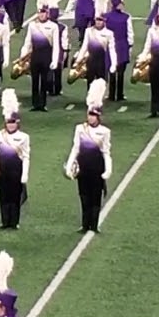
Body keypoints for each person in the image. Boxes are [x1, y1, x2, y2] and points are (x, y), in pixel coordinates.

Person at [64, 80, 112, 234]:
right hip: (83, 168)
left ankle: (94, 225)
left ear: (98, 117)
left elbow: (106, 152)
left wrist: (108, 170)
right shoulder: (80, 129)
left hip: (97, 168)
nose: (90, 118)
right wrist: (70, 164)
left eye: (93, 115)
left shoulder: (105, 132)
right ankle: (85, 224)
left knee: (95, 198)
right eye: (89, 115)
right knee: (84, 196)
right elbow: (75, 148)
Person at [0, 90, 30, 230]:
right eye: (8, 123)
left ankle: (14, 222)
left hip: (16, 170)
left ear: (17, 123)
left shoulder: (24, 137)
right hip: (3, 170)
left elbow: (26, 157)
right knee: (3, 195)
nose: (10, 125)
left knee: (15, 196)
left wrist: (25, 174)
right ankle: (5, 221)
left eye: (13, 123)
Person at [21, 0, 60, 112]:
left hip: (46, 57)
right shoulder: (32, 26)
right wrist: (23, 54)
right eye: (39, 13)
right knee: (34, 81)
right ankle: (35, 103)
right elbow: (28, 42)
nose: (41, 15)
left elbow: (56, 46)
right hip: (35, 57)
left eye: (43, 13)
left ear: (47, 13)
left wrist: (55, 60)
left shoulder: (53, 27)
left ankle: (42, 104)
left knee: (44, 81)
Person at [74, 0, 118, 88]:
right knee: (90, 83)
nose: (98, 22)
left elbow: (112, 49)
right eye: (97, 20)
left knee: (101, 84)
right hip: (91, 62)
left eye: (100, 21)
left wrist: (114, 64)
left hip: (102, 62)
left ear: (104, 22)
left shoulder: (109, 33)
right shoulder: (89, 31)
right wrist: (78, 60)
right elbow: (84, 47)